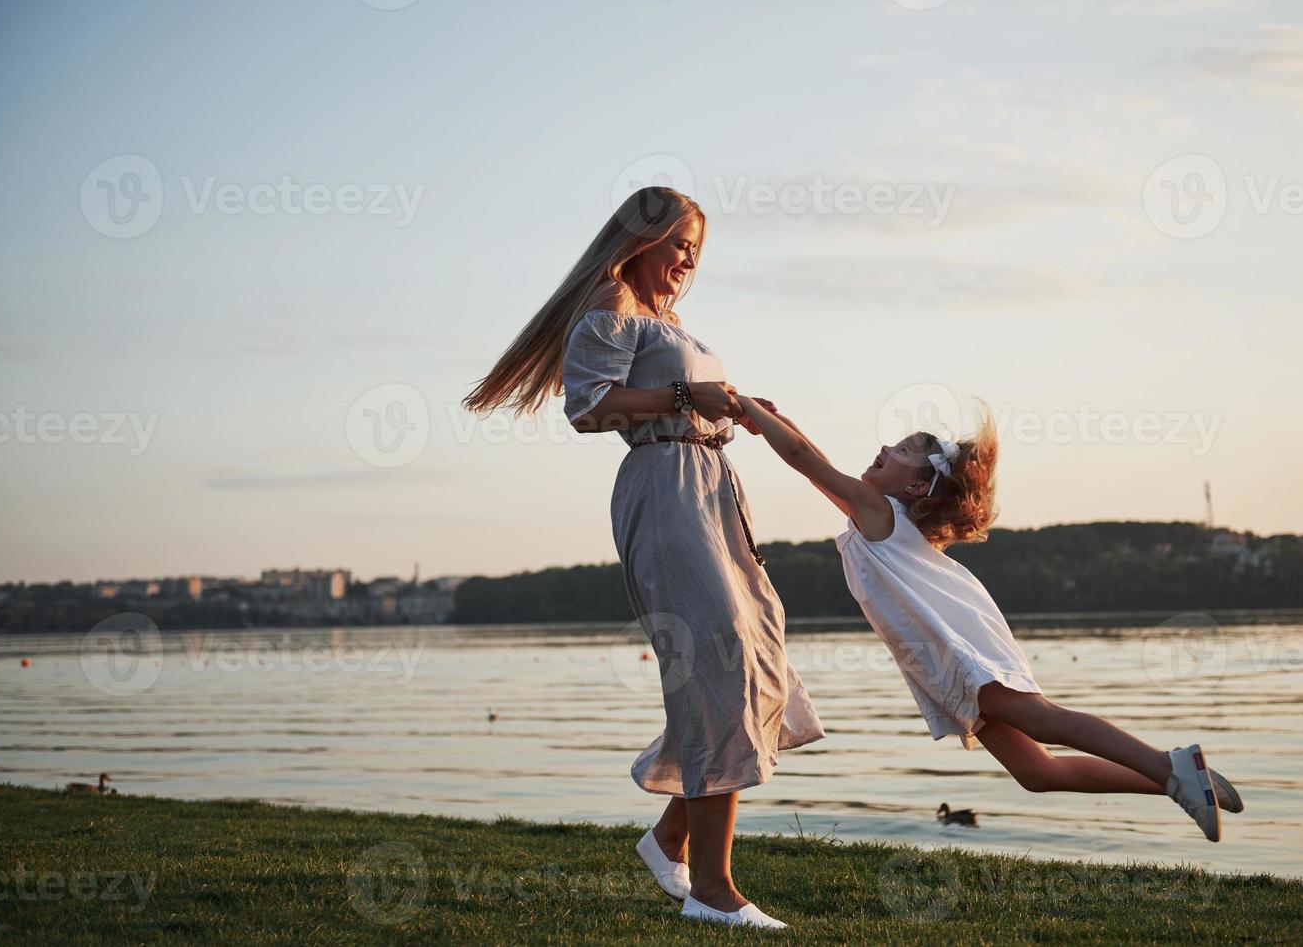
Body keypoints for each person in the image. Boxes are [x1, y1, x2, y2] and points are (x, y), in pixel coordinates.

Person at [462, 187, 823, 929]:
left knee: (756, 659)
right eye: (680, 242)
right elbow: (589, 408)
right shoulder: (612, 298)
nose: (689, 259)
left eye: (698, 248)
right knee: (719, 662)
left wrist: (734, 406)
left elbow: (672, 390)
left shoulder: (664, 319)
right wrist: (688, 395)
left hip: (712, 487)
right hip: (664, 491)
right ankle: (712, 892)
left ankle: (668, 842)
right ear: (642, 238)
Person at [729, 393, 1243, 842]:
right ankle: (1178, 781)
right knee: (1035, 770)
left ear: (914, 488)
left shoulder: (877, 511)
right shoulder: (883, 514)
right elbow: (810, 454)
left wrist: (749, 412)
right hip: (946, 647)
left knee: (1042, 719)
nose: (885, 450)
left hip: (955, 648)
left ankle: (1170, 765)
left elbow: (803, 459)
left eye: (902, 452)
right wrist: (775, 418)